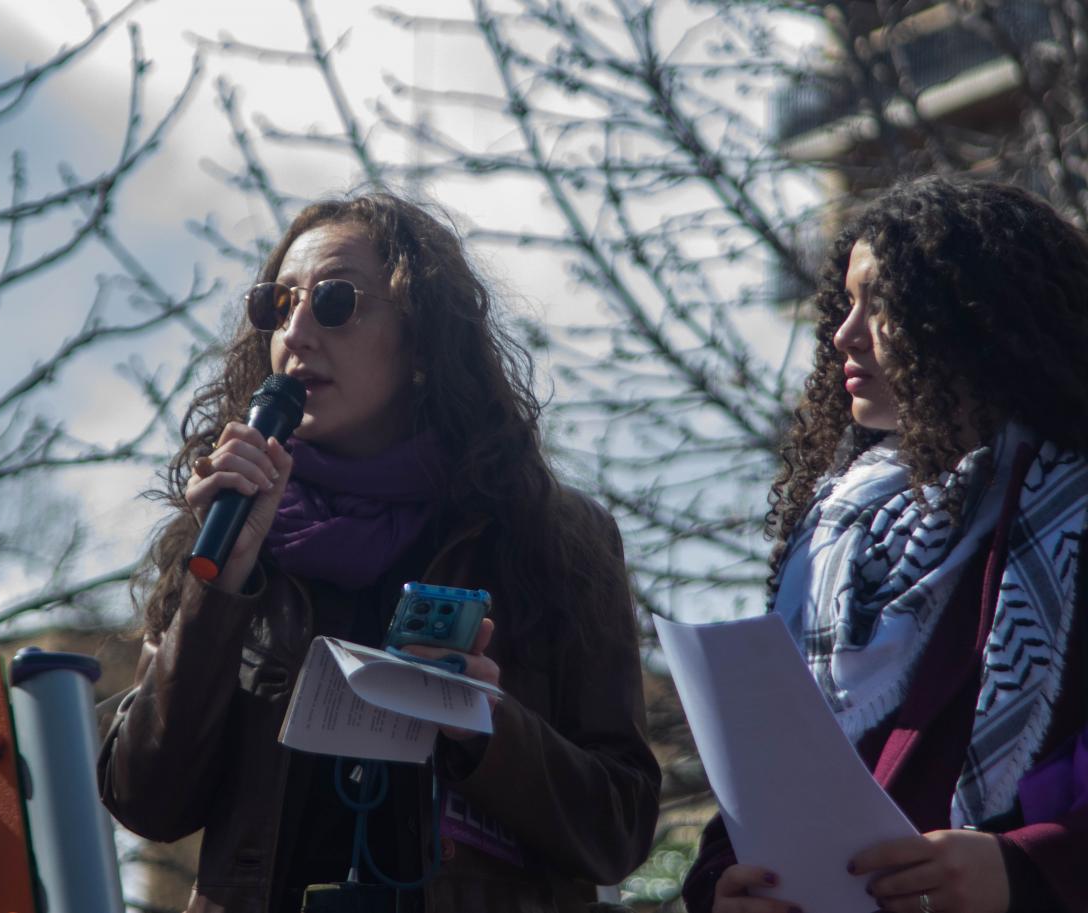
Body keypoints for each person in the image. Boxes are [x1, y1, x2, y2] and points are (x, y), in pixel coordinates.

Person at [97, 191, 661, 913]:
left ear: (422, 340)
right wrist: (218, 589)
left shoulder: (552, 538)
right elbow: (148, 801)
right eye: (279, 303)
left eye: (335, 302)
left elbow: (621, 825)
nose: (296, 332)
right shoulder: (226, 531)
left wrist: (482, 723)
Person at [681, 177, 1088, 913]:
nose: (845, 332)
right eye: (846, 303)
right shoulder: (828, 534)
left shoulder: (1073, 518)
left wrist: (1023, 869)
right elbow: (769, 780)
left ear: (974, 316)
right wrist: (725, 885)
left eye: (883, 302)